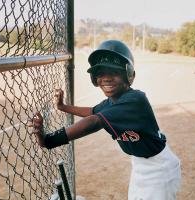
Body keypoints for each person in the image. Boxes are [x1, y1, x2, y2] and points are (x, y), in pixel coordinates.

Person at [30, 40, 181, 200]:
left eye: (114, 72)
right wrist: (63, 106)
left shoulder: (135, 99)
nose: (106, 78)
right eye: (101, 73)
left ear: (128, 75)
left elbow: (95, 120)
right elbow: (92, 111)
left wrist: (47, 141)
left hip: (160, 168)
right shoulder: (112, 101)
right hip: (140, 164)